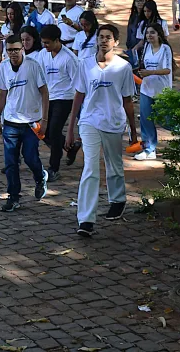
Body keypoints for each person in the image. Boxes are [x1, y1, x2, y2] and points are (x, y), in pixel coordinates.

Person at [65, 24, 138, 237]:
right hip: (89, 121)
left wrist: (133, 130)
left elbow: (127, 100)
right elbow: (78, 95)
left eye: (108, 37)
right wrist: (70, 128)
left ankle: (117, 199)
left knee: (114, 164)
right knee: (90, 167)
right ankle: (86, 219)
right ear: (97, 40)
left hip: (114, 122)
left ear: (115, 42)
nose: (104, 40)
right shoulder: (85, 64)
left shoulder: (123, 67)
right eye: (101, 36)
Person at [0, 35, 50, 212]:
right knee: (10, 162)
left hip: (31, 122)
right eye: (10, 50)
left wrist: (45, 119)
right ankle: (13, 196)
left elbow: (44, 93)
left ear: (23, 49)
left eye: (16, 49)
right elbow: (2, 93)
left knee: (30, 157)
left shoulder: (33, 66)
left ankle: (40, 176)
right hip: (10, 121)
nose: (13, 53)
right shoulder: (3, 67)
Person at [34, 25, 79, 181]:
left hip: (64, 98)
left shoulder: (69, 58)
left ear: (57, 40)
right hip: (47, 98)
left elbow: (78, 83)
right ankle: (69, 147)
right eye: (43, 43)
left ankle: (54, 167)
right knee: (42, 131)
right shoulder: (42, 55)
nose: (45, 46)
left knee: (53, 131)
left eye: (47, 43)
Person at [135, 23, 174, 161]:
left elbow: (168, 70)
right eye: (147, 33)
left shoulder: (165, 49)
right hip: (146, 89)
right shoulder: (146, 47)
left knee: (165, 120)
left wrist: (150, 72)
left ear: (159, 34)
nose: (149, 35)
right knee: (146, 119)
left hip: (162, 90)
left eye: (152, 32)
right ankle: (149, 149)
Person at [125, 0, 147, 68]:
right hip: (132, 46)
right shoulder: (133, 16)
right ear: (134, 3)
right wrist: (129, 45)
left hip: (143, 48)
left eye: (142, 1)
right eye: (137, 1)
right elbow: (129, 31)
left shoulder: (147, 16)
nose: (140, 3)